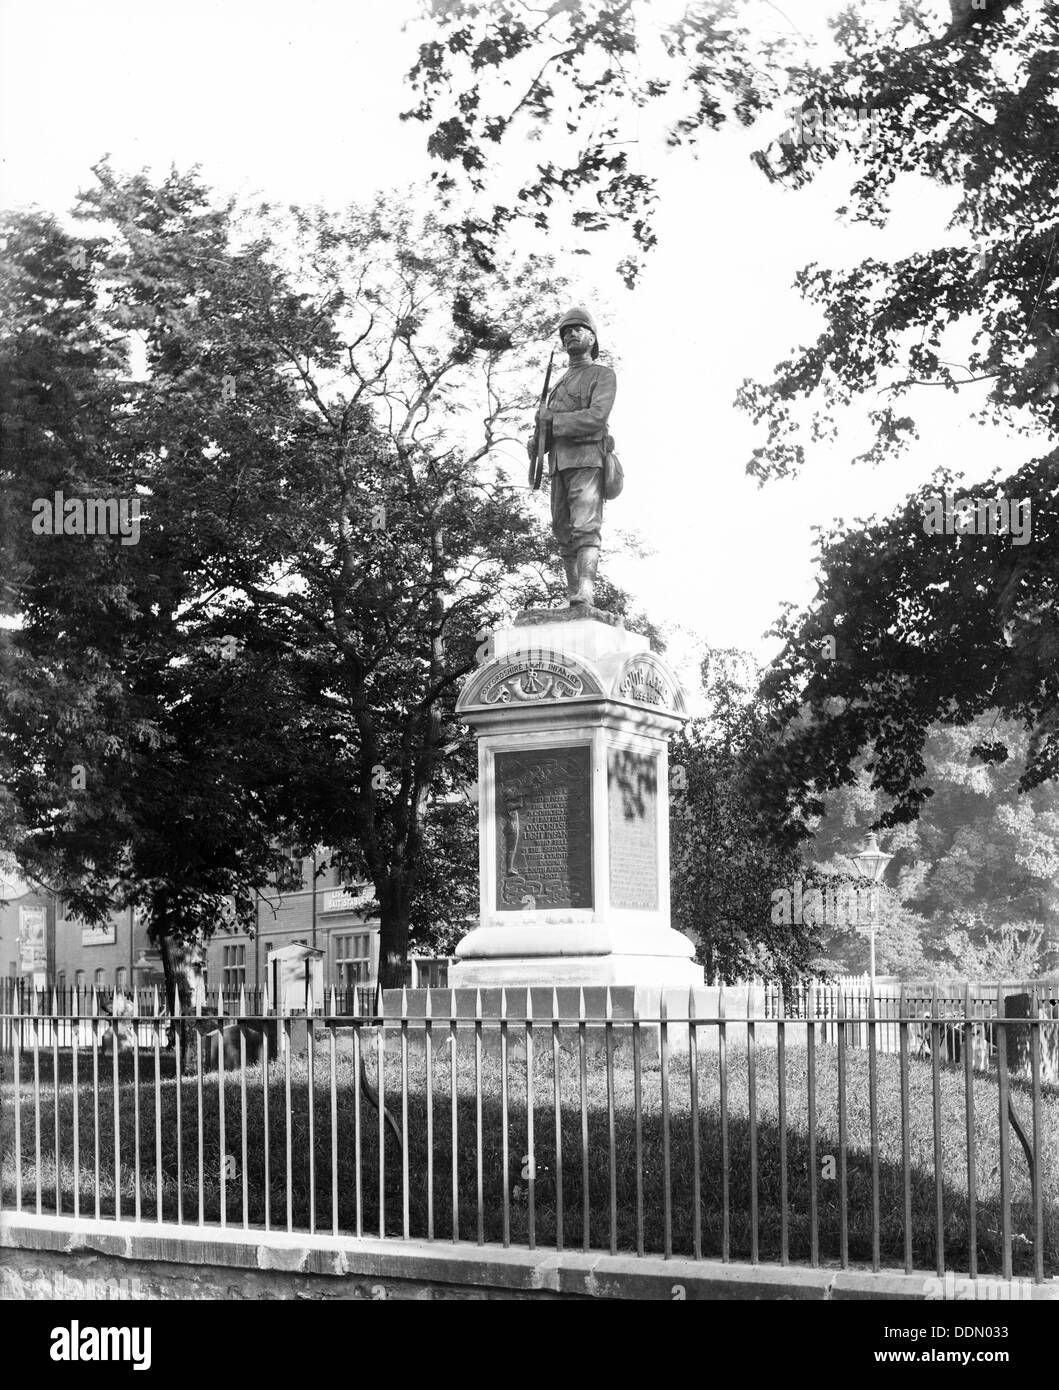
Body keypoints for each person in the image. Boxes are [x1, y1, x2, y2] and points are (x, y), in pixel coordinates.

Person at [529, 307, 617, 606]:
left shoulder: (602, 375)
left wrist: (553, 422)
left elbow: (596, 417)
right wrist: (537, 440)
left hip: (587, 459)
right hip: (559, 464)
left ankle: (586, 590)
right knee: (562, 530)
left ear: (592, 338)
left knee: (585, 526)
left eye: (576, 329)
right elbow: (546, 433)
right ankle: (571, 595)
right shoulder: (556, 386)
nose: (569, 334)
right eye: (565, 332)